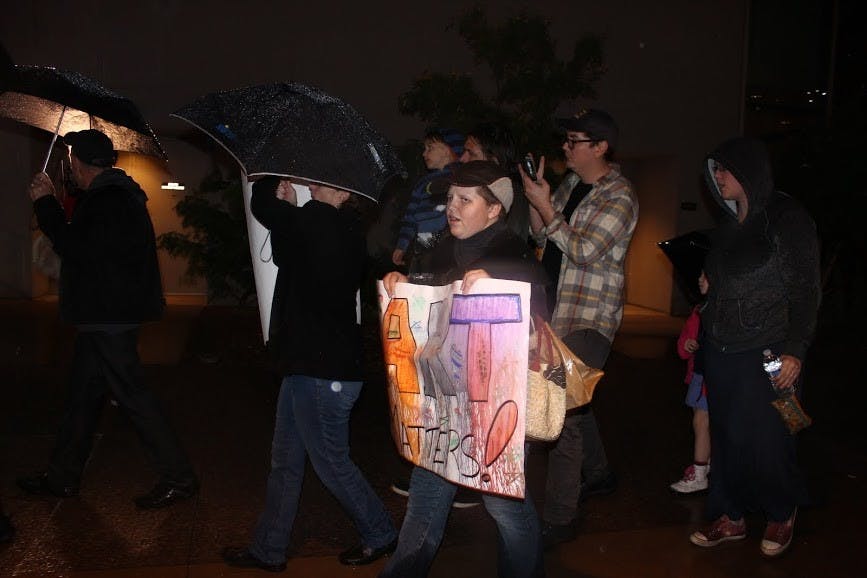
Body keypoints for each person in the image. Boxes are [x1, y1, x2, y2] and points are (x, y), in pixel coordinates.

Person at [380, 160, 548, 578]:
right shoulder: (440, 249)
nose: (451, 207)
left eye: (464, 199)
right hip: (442, 406)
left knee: (503, 505)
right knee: (424, 499)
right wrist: (399, 281)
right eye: (450, 198)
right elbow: (423, 300)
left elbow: (534, 320)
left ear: (494, 210)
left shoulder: (515, 255)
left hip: (497, 412)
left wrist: (494, 284)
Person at [222, 177, 397, 573]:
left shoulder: (323, 222)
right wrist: (292, 208)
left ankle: (381, 533)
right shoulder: (341, 229)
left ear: (346, 192)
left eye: (329, 181)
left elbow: (264, 210)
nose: (317, 183)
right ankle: (268, 548)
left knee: (332, 462)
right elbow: (289, 252)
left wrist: (266, 180)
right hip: (313, 366)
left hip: (321, 372)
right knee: (286, 461)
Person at [19, 129, 198, 509]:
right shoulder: (114, 195)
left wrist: (45, 203)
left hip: (108, 317)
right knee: (82, 398)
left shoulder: (109, 200)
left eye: (70, 161)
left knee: (132, 396)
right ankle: (62, 477)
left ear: (79, 163)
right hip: (104, 315)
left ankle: (179, 478)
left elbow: (75, 248)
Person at [688, 137, 820, 558]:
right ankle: (732, 516)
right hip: (722, 347)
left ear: (747, 170)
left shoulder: (785, 217)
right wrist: (708, 291)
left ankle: (782, 513)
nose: (717, 177)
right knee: (726, 437)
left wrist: (796, 349)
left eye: (724, 169)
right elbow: (720, 283)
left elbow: (805, 289)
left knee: (769, 436)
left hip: (768, 350)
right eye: (714, 171)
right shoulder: (728, 227)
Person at [520, 109, 638, 548]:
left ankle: (559, 517)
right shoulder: (570, 187)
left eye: (575, 140)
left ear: (600, 146)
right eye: (566, 140)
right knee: (577, 401)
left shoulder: (619, 195)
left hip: (587, 317)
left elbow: (584, 250)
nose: (566, 147)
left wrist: (549, 209)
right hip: (552, 312)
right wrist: (538, 201)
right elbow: (542, 239)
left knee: (562, 414)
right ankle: (601, 473)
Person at [392, 128, 464, 272]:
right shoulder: (422, 184)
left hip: (451, 249)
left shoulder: (462, 178)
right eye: (424, 149)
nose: (424, 153)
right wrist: (401, 246)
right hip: (422, 249)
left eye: (430, 148)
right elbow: (410, 218)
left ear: (447, 150)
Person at [459, 122, 530, 241]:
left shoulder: (510, 197)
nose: (462, 159)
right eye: (464, 151)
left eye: (471, 153)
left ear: (493, 160)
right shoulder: (478, 192)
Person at [670, 294, 711, 494]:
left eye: (706, 275)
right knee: (701, 420)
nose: (701, 280)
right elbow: (684, 341)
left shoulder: (723, 308)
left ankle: (700, 472)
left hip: (712, 376)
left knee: (701, 421)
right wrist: (687, 345)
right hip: (698, 374)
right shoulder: (699, 310)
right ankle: (703, 465)